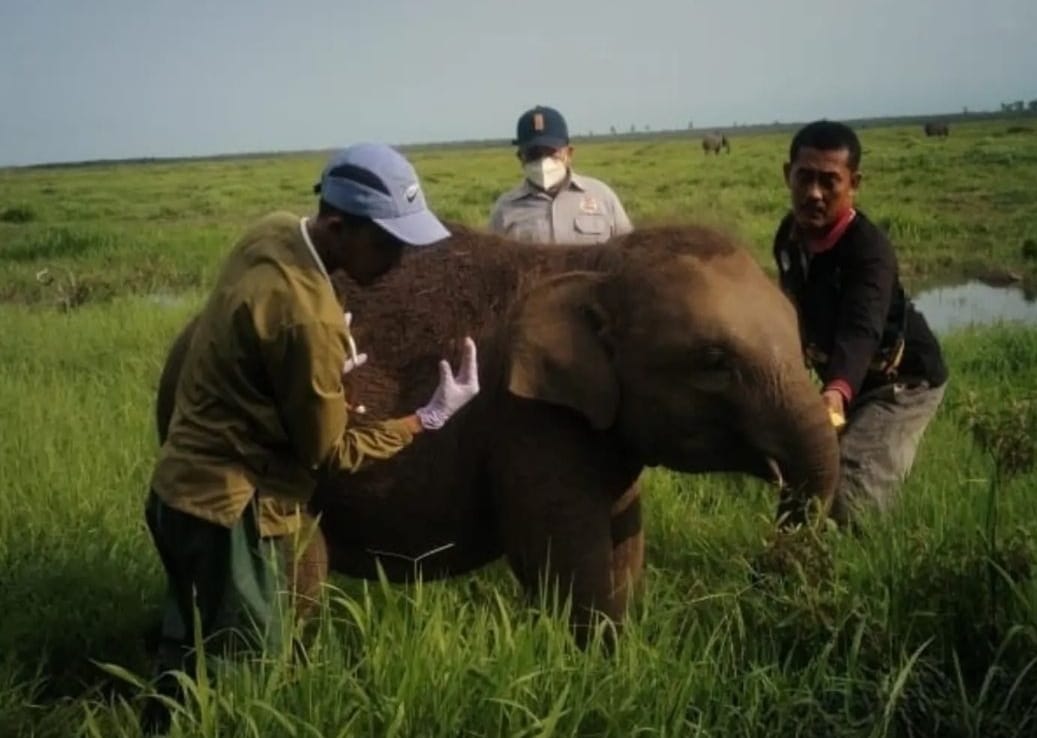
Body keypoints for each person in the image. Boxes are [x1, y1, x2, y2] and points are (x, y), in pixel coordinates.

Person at [142, 142, 479, 729]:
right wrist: (426, 417)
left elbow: (243, 338)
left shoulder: (271, 234)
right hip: (233, 516)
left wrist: (306, 369)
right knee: (243, 679)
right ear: (336, 224)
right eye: (387, 241)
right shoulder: (310, 318)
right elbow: (330, 453)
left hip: (177, 493)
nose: (398, 260)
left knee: (184, 653)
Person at [772, 120, 948, 527]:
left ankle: (856, 576)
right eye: (805, 177)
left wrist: (835, 392)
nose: (814, 193)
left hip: (901, 383)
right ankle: (785, 570)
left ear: (854, 183)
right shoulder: (789, 237)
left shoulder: (869, 252)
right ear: (788, 175)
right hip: (843, 380)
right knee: (804, 477)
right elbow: (792, 309)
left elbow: (861, 328)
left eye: (829, 181)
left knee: (852, 492)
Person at [488, 105, 633, 245]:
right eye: (534, 154)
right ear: (521, 158)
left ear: (569, 153)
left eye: (551, 152)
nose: (543, 160)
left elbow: (629, 252)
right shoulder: (505, 209)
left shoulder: (602, 197)